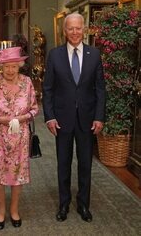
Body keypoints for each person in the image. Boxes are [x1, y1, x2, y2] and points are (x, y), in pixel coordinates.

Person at [42, 13, 106, 223]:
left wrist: (99, 117)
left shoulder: (94, 54)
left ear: (84, 29)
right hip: (62, 119)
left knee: (85, 164)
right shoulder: (54, 55)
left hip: (88, 120)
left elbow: (100, 90)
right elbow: (48, 89)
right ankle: (63, 204)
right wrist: (50, 117)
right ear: (64, 31)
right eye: (71, 28)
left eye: (79, 28)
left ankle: (83, 205)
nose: (75, 32)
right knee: (63, 163)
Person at [0, 47, 38, 230]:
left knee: (18, 173)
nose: (10, 70)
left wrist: (22, 118)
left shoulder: (27, 83)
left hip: (20, 136)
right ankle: (0, 211)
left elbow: (35, 109)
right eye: (6, 66)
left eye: (14, 66)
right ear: (1, 67)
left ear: (20, 65)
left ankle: (14, 210)